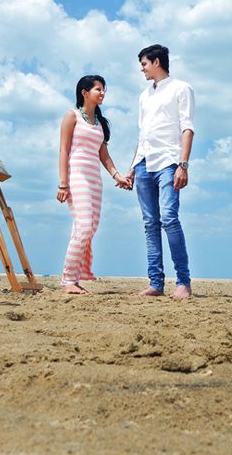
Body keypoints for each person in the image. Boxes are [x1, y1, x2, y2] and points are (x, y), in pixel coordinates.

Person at [124, 45, 195, 300]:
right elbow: (142, 135)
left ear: (156, 62)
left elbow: (187, 128)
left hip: (169, 162)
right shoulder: (144, 96)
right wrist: (132, 167)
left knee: (168, 218)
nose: (142, 69)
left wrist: (183, 165)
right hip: (144, 163)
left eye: (143, 64)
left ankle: (183, 282)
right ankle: (156, 283)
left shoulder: (181, 88)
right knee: (150, 224)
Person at [56, 75, 130, 295]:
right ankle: (68, 279)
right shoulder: (72, 116)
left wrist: (117, 176)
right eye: (98, 89)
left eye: (104, 89)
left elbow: (104, 156)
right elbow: (63, 150)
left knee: (87, 229)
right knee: (85, 226)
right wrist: (62, 184)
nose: (102, 93)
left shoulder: (100, 123)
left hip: (95, 181)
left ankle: (76, 276)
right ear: (84, 92)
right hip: (76, 177)